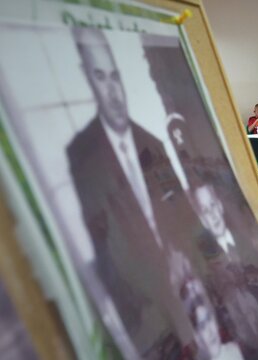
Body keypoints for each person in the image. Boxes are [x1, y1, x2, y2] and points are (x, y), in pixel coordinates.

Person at [67, 27, 205, 357]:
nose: (114, 91)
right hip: (144, 307)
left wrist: (190, 258)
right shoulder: (81, 157)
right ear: (86, 77)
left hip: (189, 287)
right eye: (101, 77)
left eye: (116, 76)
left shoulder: (151, 143)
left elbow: (182, 210)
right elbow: (98, 251)